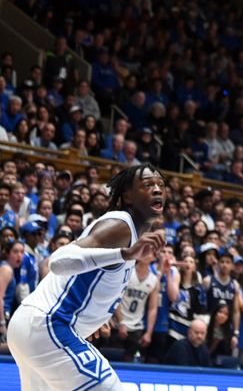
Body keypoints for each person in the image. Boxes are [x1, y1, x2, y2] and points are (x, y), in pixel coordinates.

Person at [7, 164, 166, 390]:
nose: (158, 189)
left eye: (161, 184)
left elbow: (85, 278)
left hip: (34, 326)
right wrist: (127, 253)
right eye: (148, 184)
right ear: (127, 196)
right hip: (49, 325)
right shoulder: (119, 225)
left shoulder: (128, 230)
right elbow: (59, 262)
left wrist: (94, 320)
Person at [112, 257, 159, 361]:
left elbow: (153, 308)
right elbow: (116, 297)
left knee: (130, 363)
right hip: (117, 325)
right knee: (112, 360)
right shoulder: (127, 272)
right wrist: (121, 322)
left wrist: (149, 333)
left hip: (136, 328)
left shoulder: (154, 279)